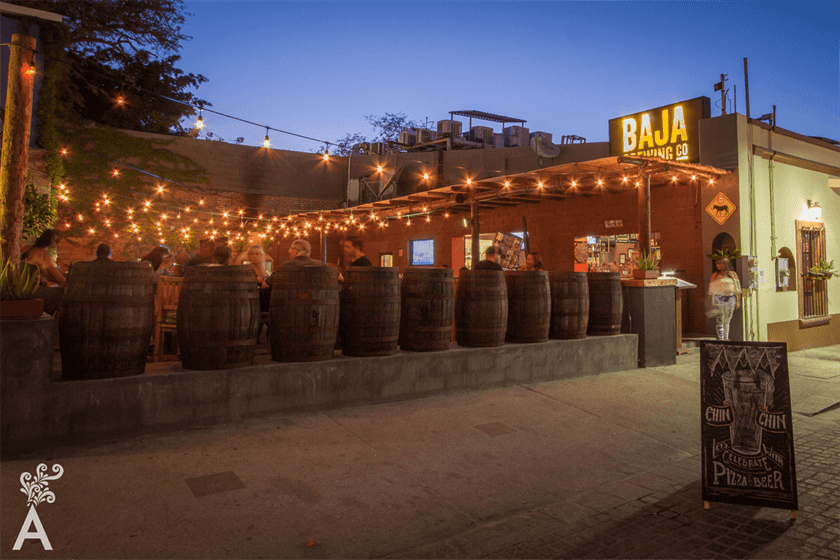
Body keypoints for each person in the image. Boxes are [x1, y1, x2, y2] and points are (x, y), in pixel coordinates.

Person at [21, 228, 65, 314]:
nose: (57, 243)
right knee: (62, 292)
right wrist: (69, 284)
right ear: (51, 241)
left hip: (17, 289)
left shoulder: (27, 248)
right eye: (56, 240)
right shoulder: (43, 253)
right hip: (30, 291)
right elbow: (58, 278)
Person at [707, 258, 742, 341]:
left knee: (727, 320)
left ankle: (726, 338)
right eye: (716, 263)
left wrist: (737, 301)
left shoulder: (732, 274)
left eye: (719, 263)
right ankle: (720, 339)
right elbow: (711, 289)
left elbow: (737, 288)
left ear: (725, 264)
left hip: (730, 299)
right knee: (720, 320)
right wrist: (710, 301)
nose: (717, 265)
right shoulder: (715, 275)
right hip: (719, 299)